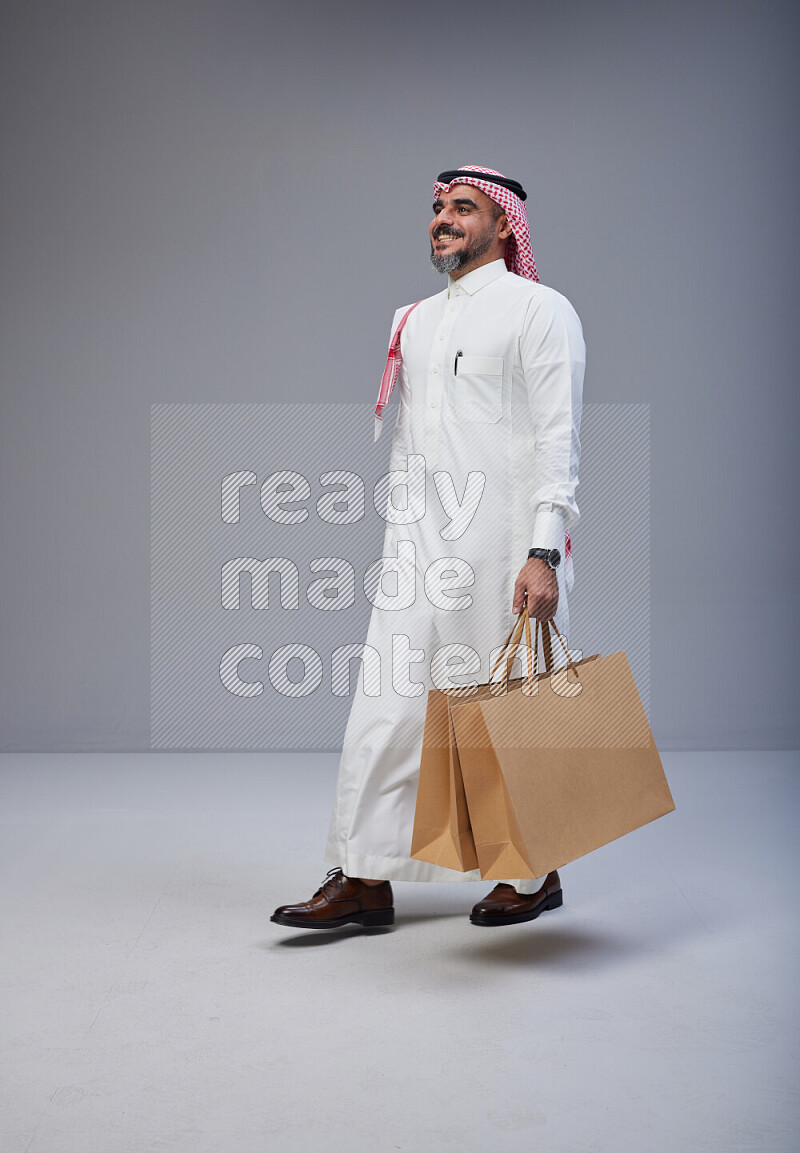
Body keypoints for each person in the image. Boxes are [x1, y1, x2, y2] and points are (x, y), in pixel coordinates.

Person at [271, 165, 585, 931]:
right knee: (387, 706)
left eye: (464, 208)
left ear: (505, 225)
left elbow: (558, 441)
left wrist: (543, 550)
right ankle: (365, 874)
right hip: (418, 548)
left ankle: (531, 870)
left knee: (508, 707)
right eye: (439, 208)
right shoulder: (410, 319)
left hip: (507, 544)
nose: (444, 219)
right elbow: (412, 445)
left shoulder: (539, 311)